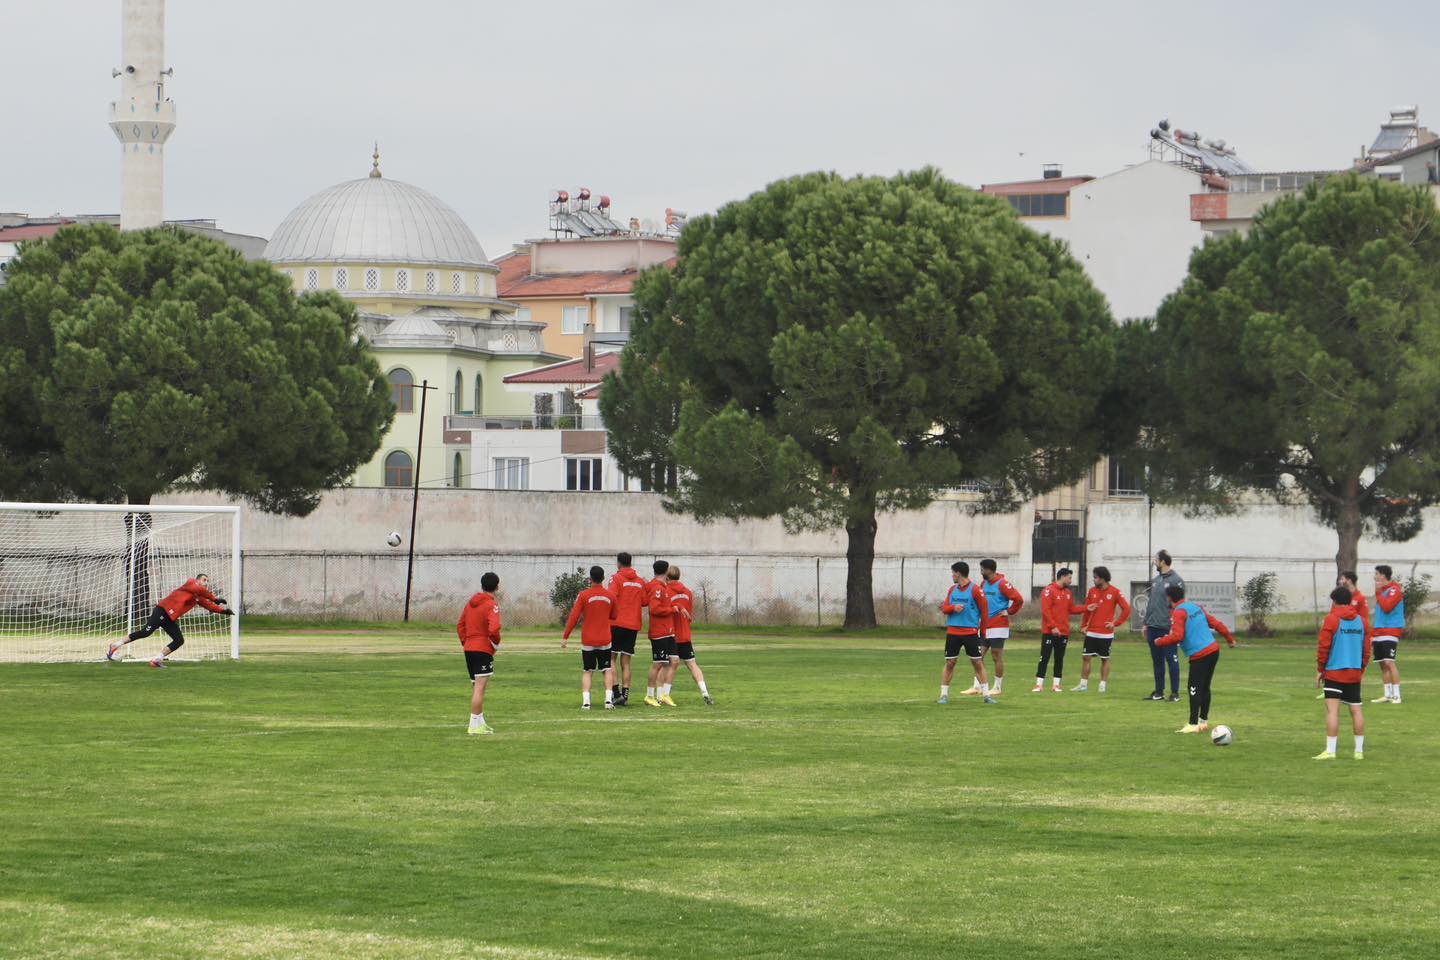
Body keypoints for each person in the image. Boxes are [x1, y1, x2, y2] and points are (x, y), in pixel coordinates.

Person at [1154, 584, 1235, 734]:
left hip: (1200, 655)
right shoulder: (1196, 607)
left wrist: (1160, 641)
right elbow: (1215, 624)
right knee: (1205, 687)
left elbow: (1178, 636)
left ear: (1170, 598)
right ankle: (1203, 722)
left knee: (1194, 688)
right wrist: (1229, 639)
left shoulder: (1178, 612)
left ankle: (1192, 724)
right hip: (1213, 650)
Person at [107, 573, 233, 668]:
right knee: (145, 632)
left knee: (179, 640)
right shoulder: (191, 583)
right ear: (197, 580)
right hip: (162, 611)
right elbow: (200, 590)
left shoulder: (198, 597)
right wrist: (214, 598)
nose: (206, 583)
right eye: (204, 580)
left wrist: (223, 611)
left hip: (170, 618)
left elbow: (209, 605)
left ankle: (157, 660)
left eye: (207, 581)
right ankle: (114, 645)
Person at [1315, 585, 1370, 760]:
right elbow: (1367, 649)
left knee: (1332, 712)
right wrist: (1360, 668)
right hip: (1354, 672)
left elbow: (1324, 647)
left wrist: (1320, 670)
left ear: (1334, 601)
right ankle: (1359, 751)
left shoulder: (1331, 619)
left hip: (1334, 672)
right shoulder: (1362, 621)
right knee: (1356, 710)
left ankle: (1331, 751)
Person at [938, 561, 994, 705]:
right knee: (950, 662)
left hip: (970, 633)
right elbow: (944, 608)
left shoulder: (975, 590)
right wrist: (952, 608)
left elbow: (985, 612)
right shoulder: (952, 589)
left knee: (977, 662)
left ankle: (987, 695)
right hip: (953, 632)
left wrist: (984, 633)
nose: (952, 576)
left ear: (958, 573)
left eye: (953, 573)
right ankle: (943, 695)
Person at [561, 565, 617, 711]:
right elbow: (614, 615)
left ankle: (586, 702)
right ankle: (608, 701)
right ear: (603, 578)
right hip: (605, 638)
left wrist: (566, 636)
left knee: (588, 670)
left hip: (588, 639)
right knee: (607, 669)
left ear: (590, 579)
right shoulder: (610, 595)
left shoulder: (584, 595)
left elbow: (574, 616)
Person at [1073, 566, 1130, 693]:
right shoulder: (1092, 591)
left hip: (1106, 633)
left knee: (1104, 658)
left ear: (1102, 578)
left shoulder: (1115, 592)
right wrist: (1083, 625)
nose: (1093, 580)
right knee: (1086, 657)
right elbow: (1087, 609)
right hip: (1092, 631)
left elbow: (1126, 609)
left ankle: (1102, 685)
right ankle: (1083, 685)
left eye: (1095, 577)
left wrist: (1115, 623)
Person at [458, 572, 502, 735]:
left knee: (476, 687)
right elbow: (494, 628)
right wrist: (495, 644)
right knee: (480, 688)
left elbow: (460, 625)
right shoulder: (492, 605)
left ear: (482, 585)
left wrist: (466, 642)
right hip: (482, 648)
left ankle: (481, 722)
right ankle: (474, 725)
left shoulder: (470, 604)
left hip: (469, 648)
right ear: (497, 586)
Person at [972, 558, 1023, 696]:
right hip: (984, 625)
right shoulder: (984, 583)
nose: (981, 572)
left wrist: (1009, 611)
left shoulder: (1003, 584)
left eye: (982, 569)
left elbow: (1019, 599)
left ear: (989, 570)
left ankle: (997, 687)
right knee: (978, 656)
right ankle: (977, 686)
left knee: (996, 656)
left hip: (998, 625)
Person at [666, 565, 713, 705]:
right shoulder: (687, 592)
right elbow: (689, 612)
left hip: (672, 634)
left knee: (670, 666)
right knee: (692, 664)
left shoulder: (666, 591)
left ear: (667, 577)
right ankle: (705, 692)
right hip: (685, 634)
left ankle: (665, 696)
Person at [1034, 568, 1086, 692]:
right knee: (1044, 657)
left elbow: (1072, 609)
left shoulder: (1068, 592)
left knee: (1059, 658)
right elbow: (1046, 611)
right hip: (1049, 631)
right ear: (1062, 577)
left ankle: (1056, 685)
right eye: (1069, 577)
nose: (1071, 580)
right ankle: (1039, 685)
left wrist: (1086, 608)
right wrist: (1053, 627)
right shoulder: (1049, 591)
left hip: (1063, 631)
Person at [606, 552, 647, 706]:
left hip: (617, 623)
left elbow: (611, 597)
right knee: (626, 662)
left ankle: (616, 694)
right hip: (633, 625)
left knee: (611, 658)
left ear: (619, 563)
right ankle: (626, 695)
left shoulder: (615, 578)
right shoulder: (640, 581)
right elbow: (644, 601)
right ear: (631, 563)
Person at [1143, 550, 1184, 702]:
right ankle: (1159, 692)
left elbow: (1179, 605)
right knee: (1157, 661)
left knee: (1172, 660)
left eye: (1156, 559)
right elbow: (1151, 603)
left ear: (1163, 562)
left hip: (1168, 628)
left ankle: (1175, 693)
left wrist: (1176, 626)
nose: (1154, 562)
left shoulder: (1176, 580)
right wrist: (1146, 623)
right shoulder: (1156, 580)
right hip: (1153, 627)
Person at [643, 559, 678, 708]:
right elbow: (654, 609)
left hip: (668, 631)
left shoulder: (662, 587)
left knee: (673, 661)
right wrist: (671, 609)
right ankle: (650, 696)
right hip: (660, 632)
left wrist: (673, 606)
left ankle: (663, 694)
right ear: (666, 571)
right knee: (658, 664)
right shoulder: (657, 587)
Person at [1371, 565, 1404, 704]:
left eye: (1377, 574)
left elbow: (1387, 607)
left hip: (1390, 630)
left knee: (1390, 663)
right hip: (1378, 631)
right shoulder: (1382, 591)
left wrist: (1378, 593)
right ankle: (1387, 694)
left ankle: (1397, 695)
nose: (1375, 576)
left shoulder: (1394, 590)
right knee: (1382, 664)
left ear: (1383, 575)